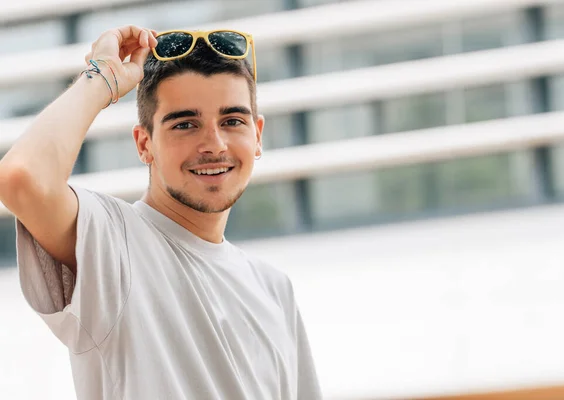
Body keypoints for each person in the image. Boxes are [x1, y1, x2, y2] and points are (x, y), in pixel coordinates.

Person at [0, 25, 322, 399]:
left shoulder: (274, 289)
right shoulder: (113, 244)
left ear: (258, 135)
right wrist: (103, 74)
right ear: (144, 144)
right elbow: (22, 178)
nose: (214, 144)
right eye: (185, 124)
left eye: (232, 121)